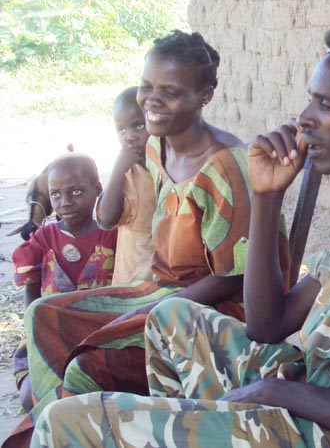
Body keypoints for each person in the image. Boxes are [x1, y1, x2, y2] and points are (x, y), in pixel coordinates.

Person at [30, 24, 330, 448]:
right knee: (170, 316)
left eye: (324, 104)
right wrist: (266, 198)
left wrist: (282, 394)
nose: (304, 117)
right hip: (325, 388)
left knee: (65, 423)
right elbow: (270, 323)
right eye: (311, 98)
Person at [3, 30, 290, 448]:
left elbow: (234, 278)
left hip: (212, 311)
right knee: (44, 314)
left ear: (205, 95)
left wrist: (154, 307)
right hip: (160, 291)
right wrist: (145, 300)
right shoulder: (158, 146)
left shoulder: (227, 168)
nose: (152, 101)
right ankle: (47, 423)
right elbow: (111, 214)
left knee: (86, 361)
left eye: (171, 91)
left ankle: (53, 426)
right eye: (146, 87)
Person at [11, 153, 117, 413]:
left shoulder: (113, 236)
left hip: (97, 336)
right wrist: (36, 331)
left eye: (76, 192)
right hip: (48, 336)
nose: (65, 202)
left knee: (91, 391)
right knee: (31, 398)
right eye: (56, 195)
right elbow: (31, 289)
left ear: (98, 190)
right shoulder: (44, 238)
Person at [96, 86, 156, 284]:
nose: (129, 136)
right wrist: (119, 168)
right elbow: (106, 218)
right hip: (129, 276)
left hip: (162, 278)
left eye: (139, 126)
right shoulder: (127, 174)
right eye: (121, 130)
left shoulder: (171, 167)